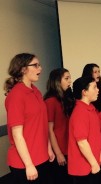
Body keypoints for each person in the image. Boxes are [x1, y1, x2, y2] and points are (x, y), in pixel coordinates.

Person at [4, 53, 55, 183]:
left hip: (42, 157)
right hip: (25, 163)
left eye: (39, 65)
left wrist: (48, 148)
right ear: (23, 69)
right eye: (35, 65)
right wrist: (29, 165)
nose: (40, 68)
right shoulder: (16, 96)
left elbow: (42, 124)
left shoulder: (35, 90)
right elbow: (17, 135)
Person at [68, 76, 101, 184]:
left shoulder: (90, 108)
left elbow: (95, 135)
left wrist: (100, 152)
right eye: (94, 87)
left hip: (92, 162)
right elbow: (82, 142)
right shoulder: (80, 112)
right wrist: (93, 163)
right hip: (83, 167)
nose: (98, 90)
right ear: (84, 92)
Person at [44, 68, 75, 184]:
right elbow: (49, 130)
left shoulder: (64, 99)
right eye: (66, 78)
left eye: (70, 78)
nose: (70, 81)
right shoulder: (50, 101)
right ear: (57, 81)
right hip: (59, 149)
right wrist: (58, 153)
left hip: (68, 147)